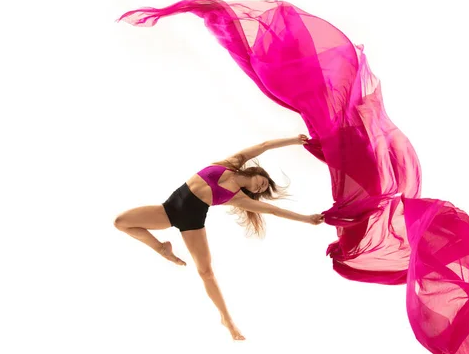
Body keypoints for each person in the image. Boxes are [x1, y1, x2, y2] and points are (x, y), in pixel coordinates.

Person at [114, 134, 325, 340]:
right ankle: (161, 249)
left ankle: (227, 320)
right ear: (257, 172)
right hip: (168, 210)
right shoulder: (231, 163)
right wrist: (295, 141)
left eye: (262, 190)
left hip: (192, 223)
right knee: (121, 222)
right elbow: (265, 145)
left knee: (206, 272)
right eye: (263, 182)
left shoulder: (239, 198)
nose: (262, 187)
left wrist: (307, 219)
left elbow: (273, 210)